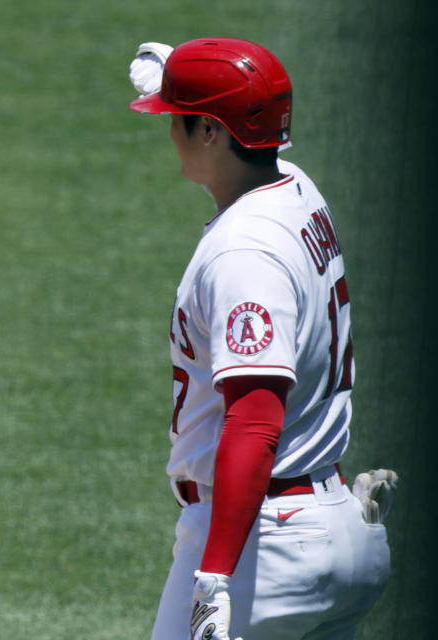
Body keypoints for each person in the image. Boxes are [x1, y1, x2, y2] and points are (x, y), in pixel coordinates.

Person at [127, 38, 395, 639]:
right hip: (333, 526)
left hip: (261, 547)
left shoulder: (243, 254)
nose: (169, 131)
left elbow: (254, 418)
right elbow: (238, 154)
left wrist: (214, 578)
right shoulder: (293, 186)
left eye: (178, 120)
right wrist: (181, 78)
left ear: (214, 134)